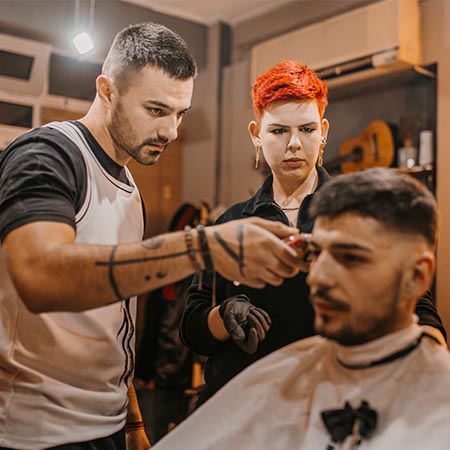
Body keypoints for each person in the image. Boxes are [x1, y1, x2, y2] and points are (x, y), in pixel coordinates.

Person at [0, 24, 305, 450]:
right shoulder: (47, 156)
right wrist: (204, 245)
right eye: (156, 111)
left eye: (180, 114)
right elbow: (38, 277)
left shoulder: (128, 187)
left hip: (104, 425)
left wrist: (132, 422)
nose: (172, 131)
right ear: (107, 90)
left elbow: (112, 325)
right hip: (36, 433)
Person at [179, 60, 446, 406]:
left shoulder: (360, 215)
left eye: (306, 130)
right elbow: (192, 328)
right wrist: (224, 316)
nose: (293, 144)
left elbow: (418, 308)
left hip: (331, 402)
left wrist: (433, 371)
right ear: (255, 134)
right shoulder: (229, 224)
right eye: (278, 131)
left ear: (324, 131)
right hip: (243, 405)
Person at [153, 168, 450, 450]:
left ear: (416, 276)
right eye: (316, 254)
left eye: (350, 258)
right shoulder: (282, 376)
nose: (317, 277)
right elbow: (192, 324)